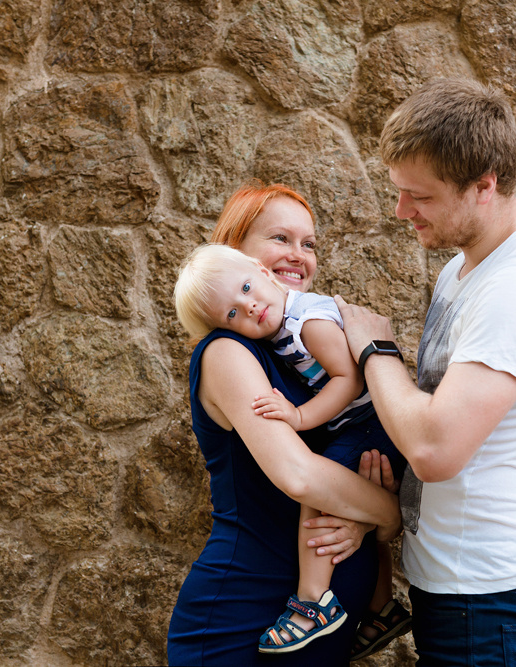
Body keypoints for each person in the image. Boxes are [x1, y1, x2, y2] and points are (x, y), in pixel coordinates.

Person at [332, 79, 516, 666]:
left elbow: (437, 448)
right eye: (399, 191)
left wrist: (377, 352)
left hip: (494, 607)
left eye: (419, 196)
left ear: (485, 186)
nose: (401, 212)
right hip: (462, 592)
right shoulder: (464, 268)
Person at [166, 183, 404, 666]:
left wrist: (359, 522)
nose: (298, 256)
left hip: (319, 630)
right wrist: (386, 516)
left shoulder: (295, 341)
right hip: (248, 615)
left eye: (308, 243)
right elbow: (301, 476)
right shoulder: (228, 351)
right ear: (237, 252)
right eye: (280, 238)